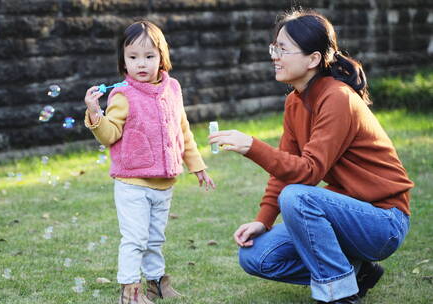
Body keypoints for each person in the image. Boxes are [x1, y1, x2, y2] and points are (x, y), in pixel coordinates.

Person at [209, 10, 413, 304]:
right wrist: (263, 221)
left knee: (297, 197)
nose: (274, 56)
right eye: (274, 47)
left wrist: (252, 146)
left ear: (313, 59)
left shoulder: (337, 98)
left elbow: (309, 172)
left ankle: (339, 296)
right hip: (346, 214)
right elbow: (284, 170)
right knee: (256, 256)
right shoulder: (294, 102)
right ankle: (357, 274)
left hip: (383, 221)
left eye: (283, 49)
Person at [84, 20, 215, 304]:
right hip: (132, 183)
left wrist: (198, 166)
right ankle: (129, 293)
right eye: (132, 57)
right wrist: (96, 114)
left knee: (155, 240)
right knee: (135, 240)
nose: (141, 64)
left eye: (149, 56)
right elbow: (110, 135)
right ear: (123, 61)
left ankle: (156, 283)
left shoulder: (173, 89)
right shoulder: (123, 95)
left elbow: (183, 131)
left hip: (164, 182)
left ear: (162, 57)